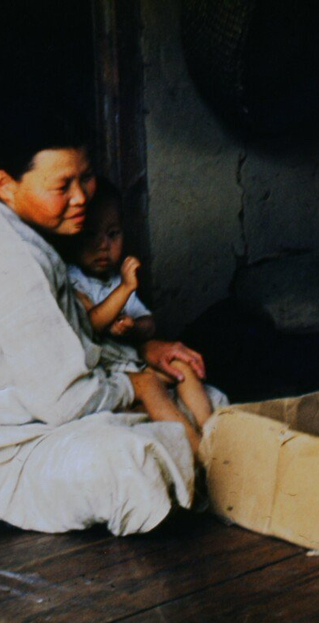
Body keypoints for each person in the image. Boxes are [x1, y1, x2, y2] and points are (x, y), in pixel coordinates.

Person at [0, 111, 210, 535]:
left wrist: (144, 351)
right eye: (62, 186)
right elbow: (63, 400)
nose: (81, 197)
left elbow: (74, 334)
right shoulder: (9, 257)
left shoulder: (20, 226)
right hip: (3, 437)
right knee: (133, 459)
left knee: (203, 397)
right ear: (6, 185)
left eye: (86, 177)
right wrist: (135, 385)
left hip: (43, 405)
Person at [65, 178, 214, 437]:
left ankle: (213, 433)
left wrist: (134, 328)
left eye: (113, 234)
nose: (103, 246)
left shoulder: (114, 278)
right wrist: (125, 289)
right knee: (153, 390)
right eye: (91, 235)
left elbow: (149, 325)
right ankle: (196, 448)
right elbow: (91, 324)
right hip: (109, 372)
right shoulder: (72, 278)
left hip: (133, 362)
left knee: (182, 367)